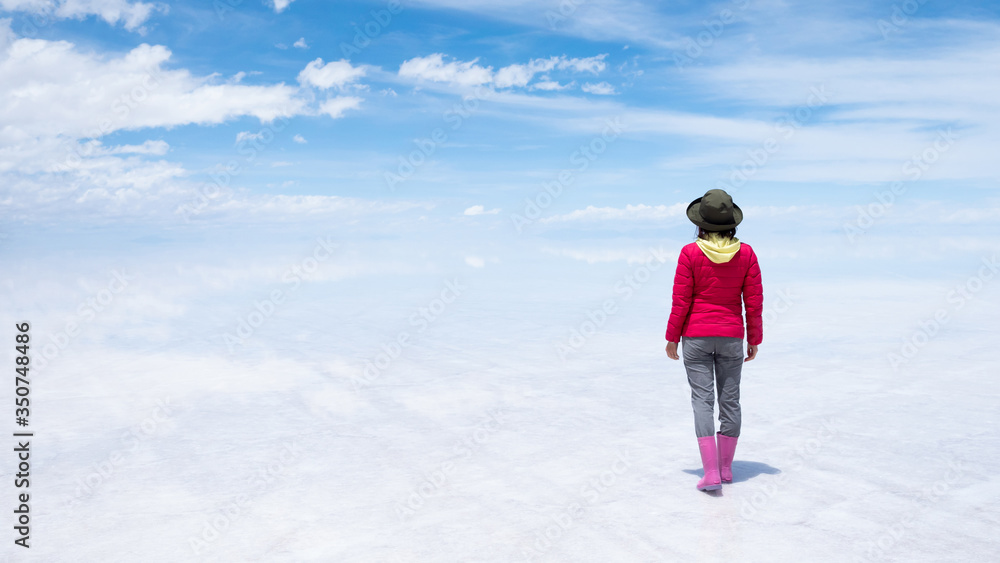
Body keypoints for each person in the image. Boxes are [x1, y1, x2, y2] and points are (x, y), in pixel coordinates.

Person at [665, 189, 763, 492]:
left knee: (703, 402)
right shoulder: (746, 253)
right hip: (732, 337)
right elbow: (754, 301)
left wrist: (672, 338)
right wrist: (754, 338)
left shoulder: (689, 253)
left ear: (700, 223)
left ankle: (710, 472)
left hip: (695, 336)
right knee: (730, 401)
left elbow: (681, 300)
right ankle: (725, 469)